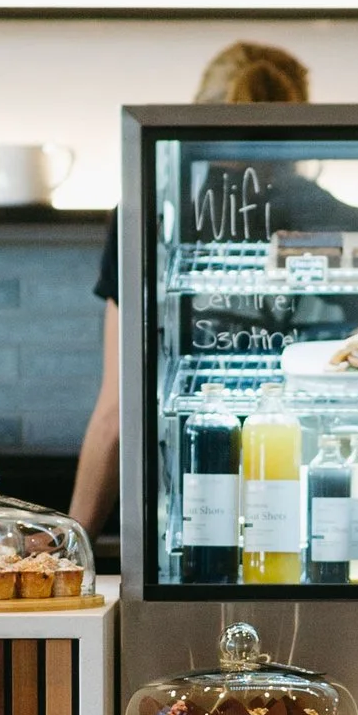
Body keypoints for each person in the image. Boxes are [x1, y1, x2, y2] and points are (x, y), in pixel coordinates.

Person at [70, 39, 312, 538]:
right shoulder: (318, 209)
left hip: (182, 502)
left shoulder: (147, 212)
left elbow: (117, 411)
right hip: (299, 488)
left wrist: (73, 540)